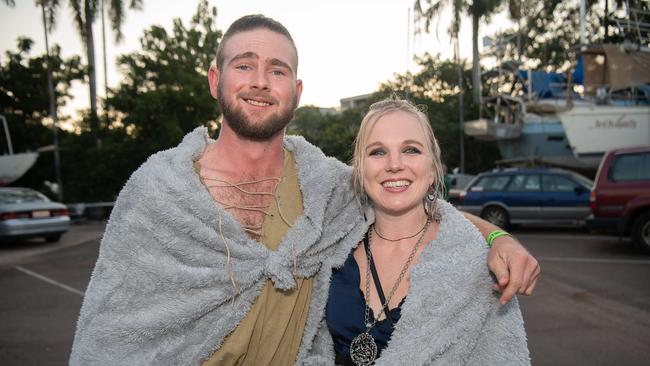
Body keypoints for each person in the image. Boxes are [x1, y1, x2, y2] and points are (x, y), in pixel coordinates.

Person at [70, 14, 538, 365]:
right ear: (216, 80)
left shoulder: (327, 189)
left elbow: (417, 207)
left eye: (276, 70)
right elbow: (111, 331)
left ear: (295, 91)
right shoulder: (158, 193)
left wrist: (499, 238)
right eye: (244, 65)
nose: (259, 81)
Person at [323, 98, 529, 365]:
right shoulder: (331, 247)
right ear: (360, 171)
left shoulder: (477, 265)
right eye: (377, 152)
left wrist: (499, 238)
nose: (394, 164)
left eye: (410, 150)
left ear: (432, 169)